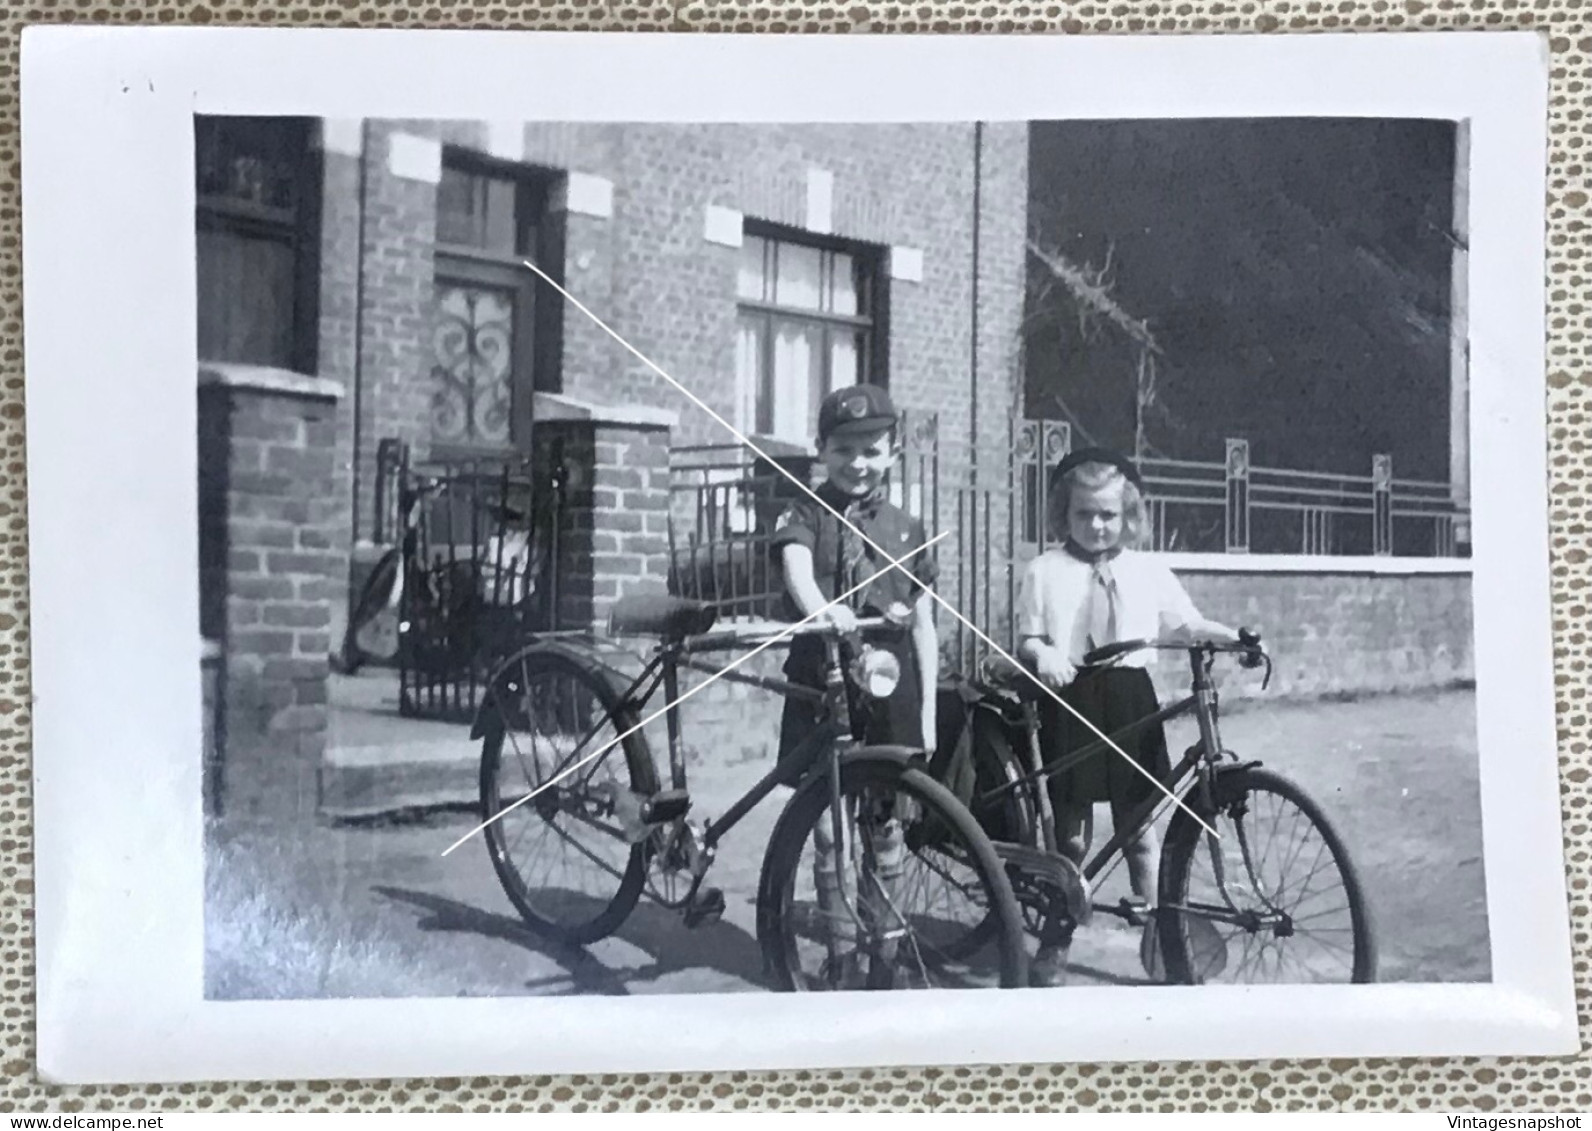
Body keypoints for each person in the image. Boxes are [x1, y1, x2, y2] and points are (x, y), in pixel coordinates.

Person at [1016, 447, 1242, 987]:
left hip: (1130, 702)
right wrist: (1042, 654)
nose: (1096, 526)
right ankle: (1055, 939)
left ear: (1130, 517)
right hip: (1069, 700)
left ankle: (1165, 938)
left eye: (1109, 515)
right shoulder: (1044, 571)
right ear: (1062, 514)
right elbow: (1027, 637)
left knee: (1141, 828)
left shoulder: (1147, 570)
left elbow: (1185, 624)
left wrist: (1229, 636)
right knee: (1069, 838)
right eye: (1083, 514)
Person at [770, 384, 939, 983]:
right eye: (844, 450)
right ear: (822, 451)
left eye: (871, 450)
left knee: (885, 824)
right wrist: (822, 609)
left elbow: (922, 624)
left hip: (889, 691)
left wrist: (929, 720)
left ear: (892, 453)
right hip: (821, 683)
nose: (858, 463)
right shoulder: (805, 513)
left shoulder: (908, 529)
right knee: (825, 826)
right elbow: (796, 571)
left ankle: (884, 958)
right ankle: (839, 957)